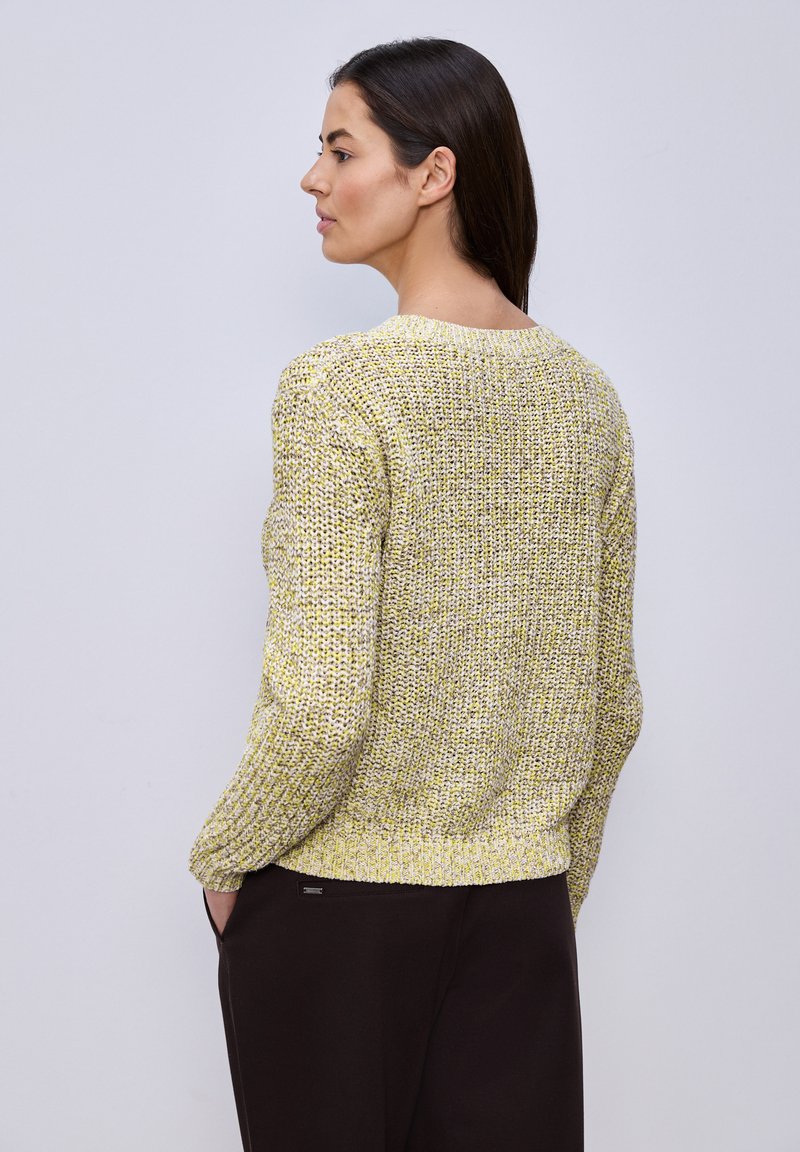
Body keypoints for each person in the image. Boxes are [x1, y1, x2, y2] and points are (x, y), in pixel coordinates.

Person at [188, 36, 643, 1152]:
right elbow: (612, 707)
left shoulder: (340, 389)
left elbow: (321, 707)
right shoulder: (587, 401)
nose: (312, 178)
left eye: (340, 150)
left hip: (334, 911)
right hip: (521, 909)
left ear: (432, 173)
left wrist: (223, 860)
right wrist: (541, 885)